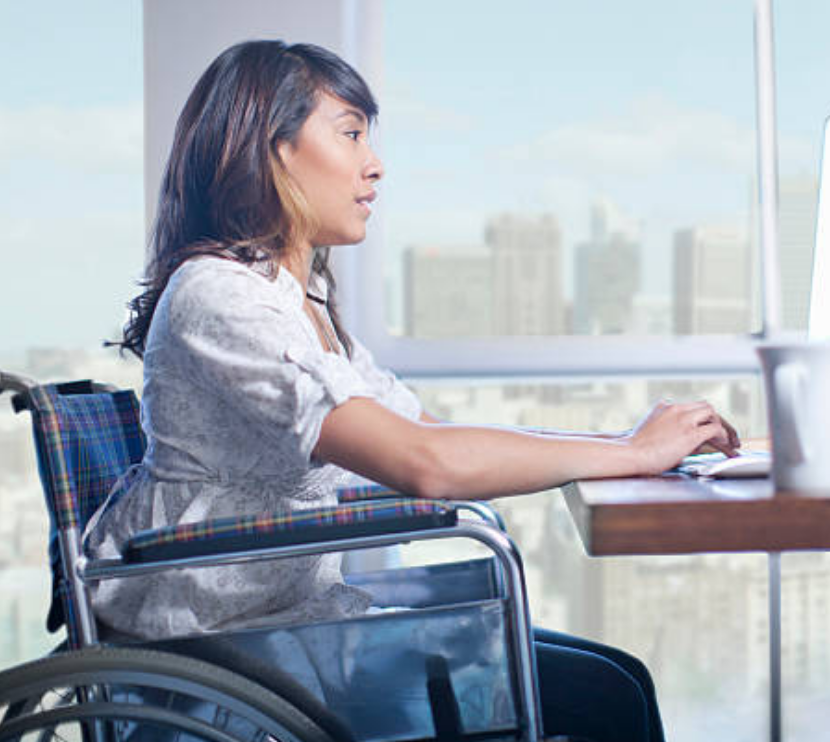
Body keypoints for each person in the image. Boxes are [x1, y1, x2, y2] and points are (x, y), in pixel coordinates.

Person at [86, 40, 740, 742]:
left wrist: (627, 445)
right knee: (602, 697)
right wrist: (633, 455)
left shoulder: (295, 298)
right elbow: (425, 466)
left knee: (620, 678)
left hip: (292, 632)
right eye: (350, 133)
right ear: (273, 149)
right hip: (220, 656)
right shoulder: (219, 295)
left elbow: (430, 433)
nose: (375, 163)